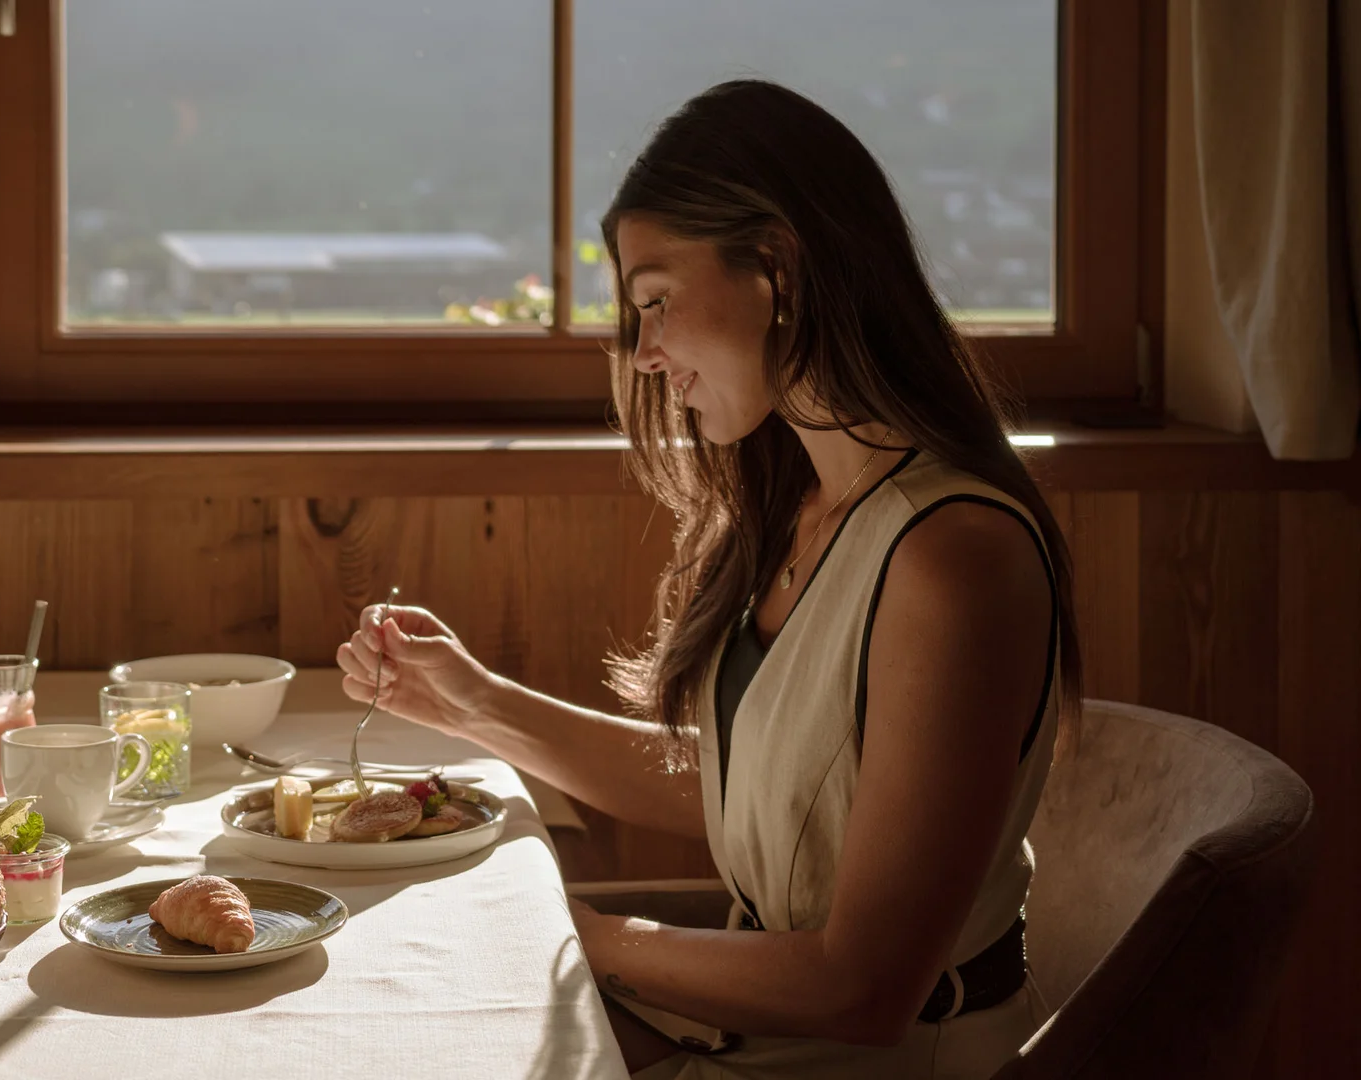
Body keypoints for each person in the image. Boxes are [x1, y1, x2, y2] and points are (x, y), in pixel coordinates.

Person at [335, 79, 1077, 1080]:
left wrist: (563, 931)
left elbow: (862, 987)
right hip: (753, 1040)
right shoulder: (800, 510)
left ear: (776, 267)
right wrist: (471, 702)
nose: (644, 356)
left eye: (654, 303)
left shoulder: (953, 557)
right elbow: (755, 788)